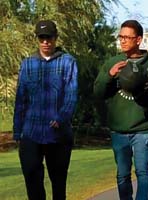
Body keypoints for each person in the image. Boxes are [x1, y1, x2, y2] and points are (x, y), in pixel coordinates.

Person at [93, 20, 148, 200]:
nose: (123, 40)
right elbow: (98, 92)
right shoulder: (113, 62)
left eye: (127, 37)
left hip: (142, 128)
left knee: (142, 171)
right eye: (121, 36)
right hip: (119, 129)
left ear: (138, 39)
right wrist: (109, 75)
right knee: (122, 175)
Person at [13, 20, 78, 200]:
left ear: (55, 38)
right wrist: (18, 132)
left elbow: (71, 95)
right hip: (31, 132)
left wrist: (61, 117)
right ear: (38, 39)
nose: (45, 42)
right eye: (42, 38)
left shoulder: (68, 62)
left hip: (58, 133)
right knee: (32, 181)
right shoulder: (28, 64)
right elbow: (21, 99)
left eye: (49, 38)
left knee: (58, 185)